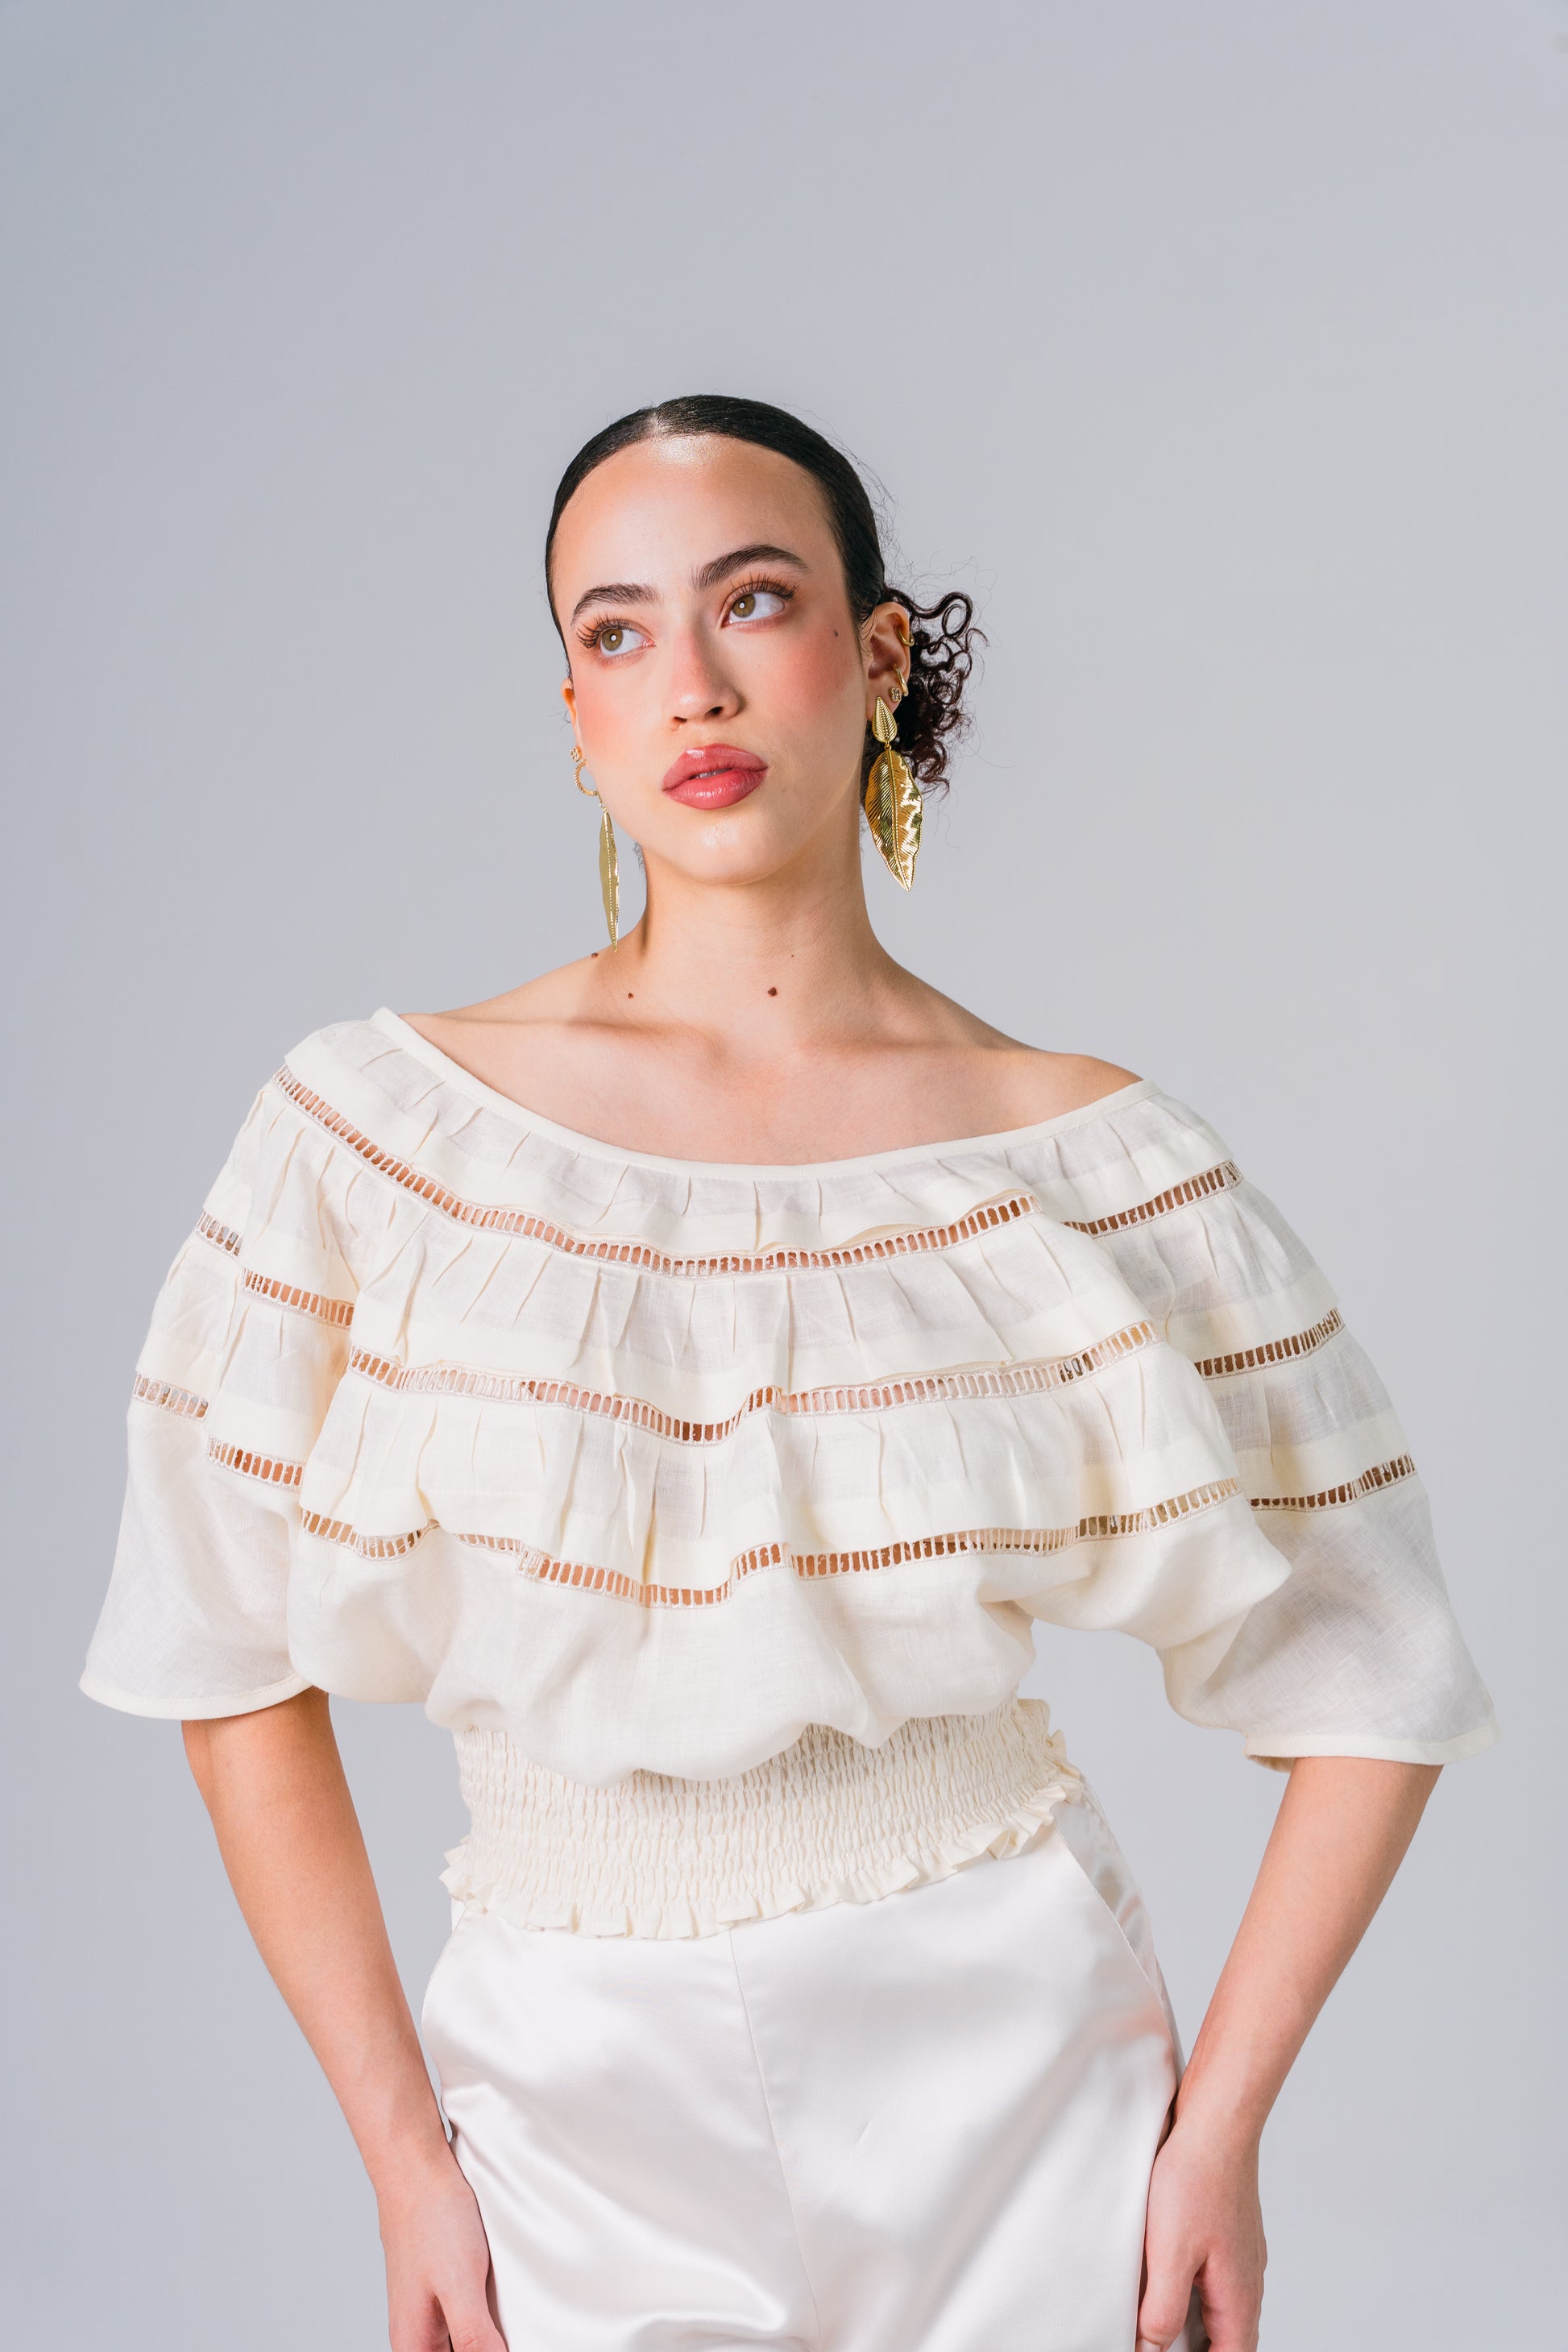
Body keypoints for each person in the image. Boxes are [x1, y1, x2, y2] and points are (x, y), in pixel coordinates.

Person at [81, 395, 1495, 2352]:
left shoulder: (1084, 1156)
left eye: (753, 600)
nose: (693, 682)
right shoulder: (377, 1139)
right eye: (618, 631)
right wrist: (403, 2151)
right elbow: (220, 1654)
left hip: (1013, 2058)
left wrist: (1221, 2128)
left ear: (879, 652)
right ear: (574, 713)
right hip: (567, 2079)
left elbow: (1378, 1667)